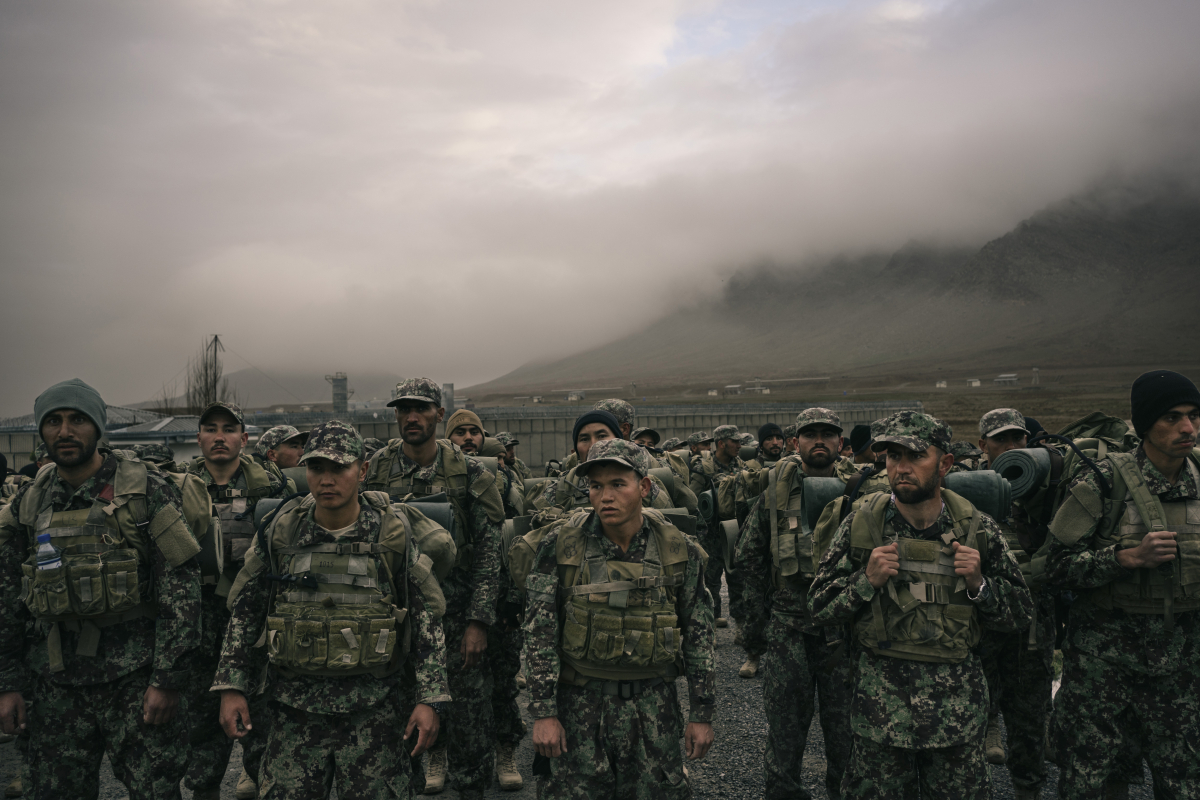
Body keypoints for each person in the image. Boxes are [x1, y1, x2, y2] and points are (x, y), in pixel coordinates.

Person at [213, 421, 450, 799]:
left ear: (363, 470)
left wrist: (429, 698)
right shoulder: (281, 532)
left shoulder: (391, 534)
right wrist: (231, 686)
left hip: (375, 712)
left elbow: (426, 622)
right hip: (294, 712)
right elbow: (245, 613)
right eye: (316, 468)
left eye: (339, 468)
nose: (326, 479)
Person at [809, 411, 1032, 800]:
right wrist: (866, 581)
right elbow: (818, 607)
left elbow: (1020, 616)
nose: (901, 467)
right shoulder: (861, 524)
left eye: (915, 456)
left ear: (945, 463)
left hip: (957, 720)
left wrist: (980, 584)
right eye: (893, 456)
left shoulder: (977, 528)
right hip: (880, 719)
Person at [0, 378, 202, 799]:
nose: (65, 431)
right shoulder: (28, 504)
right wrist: (8, 684)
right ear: (41, 430)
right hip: (54, 685)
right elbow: (7, 601)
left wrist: (168, 679)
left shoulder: (146, 491)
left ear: (98, 426)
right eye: (53, 421)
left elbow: (181, 591)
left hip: (134, 679)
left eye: (78, 419)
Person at [521, 438, 715, 798]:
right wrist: (544, 713)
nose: (605, 496)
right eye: (596, 486)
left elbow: (699, 633)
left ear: (644, 487)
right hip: (580, 709)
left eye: (617, 484)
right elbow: (540, 632)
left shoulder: (678, 550)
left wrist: (701, 712)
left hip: (654, 710)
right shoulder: (562, 545)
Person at [1046, 370, 1200, 800]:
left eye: (1193, 415)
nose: (1187, 428)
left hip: (1182, 664)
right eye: (1172, 417)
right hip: (1103, 662)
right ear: (1146, 423)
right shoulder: (1101, 485)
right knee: (1087, 779)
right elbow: (1052, 569)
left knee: (1184, 780)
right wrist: (1124, 558)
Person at [735, 407, 890, 797]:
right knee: (784, 736)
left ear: (841, 443)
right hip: (789, 629)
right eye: (810, 434)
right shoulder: (776, 489)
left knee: (848, 737)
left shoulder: (866, 489)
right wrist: (755, 632)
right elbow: (749, 558)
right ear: (795, 442)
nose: (818, 440)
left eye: (827, 433)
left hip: (844, 632)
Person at [362, 378, 505, 799]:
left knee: (471, 737)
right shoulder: (379, 470)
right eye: (403, 409)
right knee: (396, 740)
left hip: (457, 621)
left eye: (421, 408)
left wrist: (479, 621)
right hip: (398, 623)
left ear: (439, 414)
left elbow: (489, 555)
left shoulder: (469, 472)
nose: (411, 417)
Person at [185, 401, 287, 800]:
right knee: (200, 730)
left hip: (254, 621)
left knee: (262, 727)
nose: (219, 436)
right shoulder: (176, 487)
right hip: (197, 617)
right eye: (210, 429)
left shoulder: (273, 487)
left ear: (244, 439)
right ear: (199, 439)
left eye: (229, 429)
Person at [971, 409, 1056, 792]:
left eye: (1017, 439)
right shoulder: (966, 487)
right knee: (969, 717)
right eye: (1000, 440)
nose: (1011, 448)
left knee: (1030, 720)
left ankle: (1028, 785)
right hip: (980, 624)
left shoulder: (1046, 485)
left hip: (1032, 627)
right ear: (982, 445)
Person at [689, 425, 746, 632]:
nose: (739, 446)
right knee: (711, 581)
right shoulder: (704, 467)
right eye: (735, 442)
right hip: (711, 534)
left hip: (734, 532)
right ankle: (711, 625)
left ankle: (741, 626)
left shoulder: (742, 466)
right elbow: (693, 499)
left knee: (737, 579)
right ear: (722, 443)